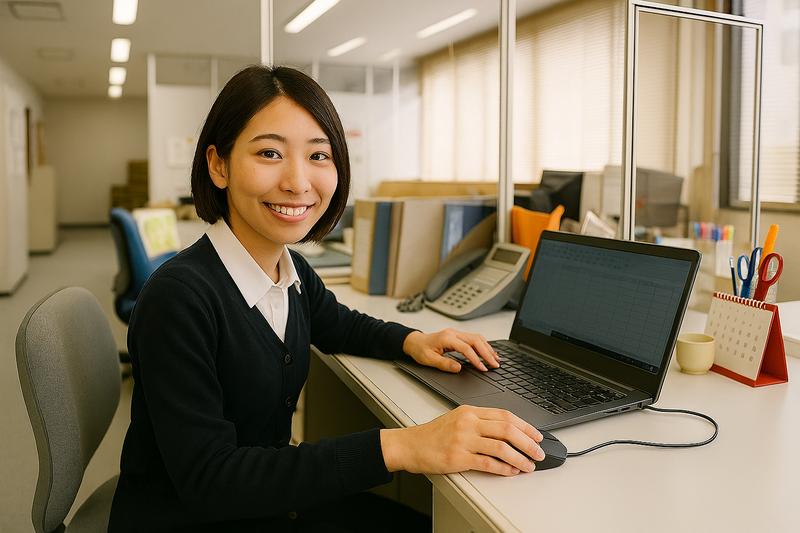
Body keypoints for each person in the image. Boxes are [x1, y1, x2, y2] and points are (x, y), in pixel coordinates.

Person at [108, 65, 546, 533]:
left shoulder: (287, 270)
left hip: (262, 498)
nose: (299, 182)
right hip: (193, 516)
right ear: (219, 165)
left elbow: (339, 323)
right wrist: (405, 446)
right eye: (270, 153)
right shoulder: (179, 300)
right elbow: (212, 480)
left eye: (319, 155)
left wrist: (414, 340)